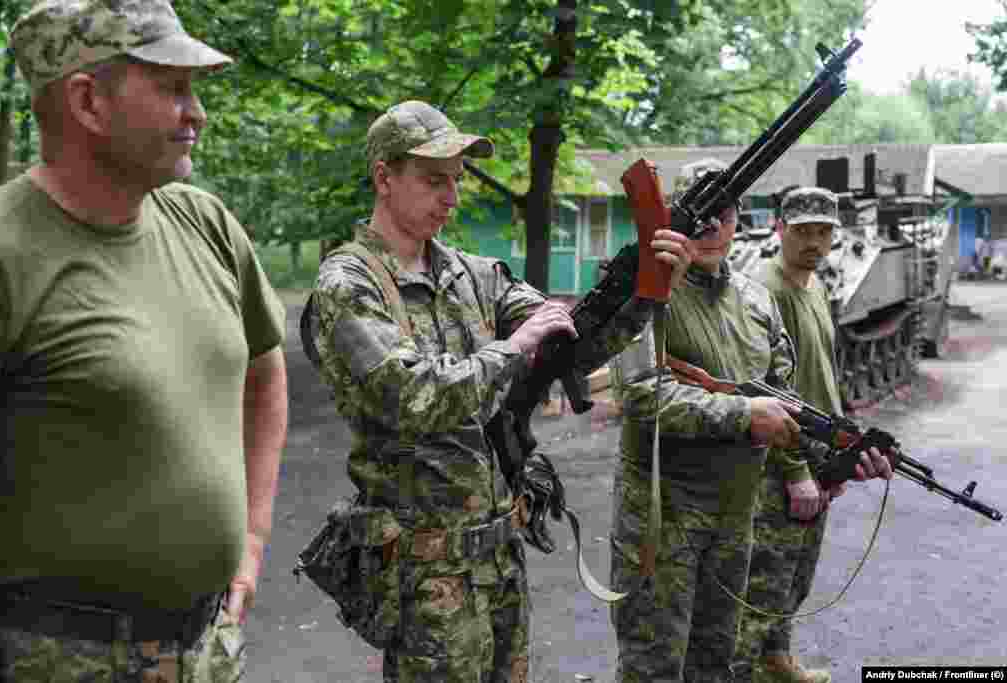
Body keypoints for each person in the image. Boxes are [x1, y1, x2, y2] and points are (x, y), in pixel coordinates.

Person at [305, 99, 688, 683]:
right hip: (423, 574)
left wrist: (644, 291)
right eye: (434, 180)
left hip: (498, 556)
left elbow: (571, 344)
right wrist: (513, 348)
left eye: (456, 181)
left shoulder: (476, 274)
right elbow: (410, 396)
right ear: (384, 177)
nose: (452, 198)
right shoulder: (349, 284)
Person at [0, 1, 288, 680]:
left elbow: (264, 372)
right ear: (88, 101)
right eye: (173, 87)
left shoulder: (204, 222)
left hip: (207, 649)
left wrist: (254, 537)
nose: (197, 113)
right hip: (59, 661)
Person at [607, 162, 888, 683]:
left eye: (725, 213)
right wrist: (742, 414)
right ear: (674, 216)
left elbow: (787, 401)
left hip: (738, 518)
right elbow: (638, 393)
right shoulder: (643, 294)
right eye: (700, 214)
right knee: (655, 665)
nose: (712, 227)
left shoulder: (756, 301)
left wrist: (842, 458)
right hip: (662, 520)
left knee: (720, 662)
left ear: (739, 219)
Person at [734, 187, 893, 683]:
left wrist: (843, 451)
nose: (814, 242)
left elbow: (823, 371)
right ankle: (748, 671)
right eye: (803, 231)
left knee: (796, 575)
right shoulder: (765, 290)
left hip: (819, 448)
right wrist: (798, 471)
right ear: (780, 228)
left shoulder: (815, 287)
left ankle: (776, 662)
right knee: (765, 582)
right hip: (780, 458)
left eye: (824, 232)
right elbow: (763, 390)